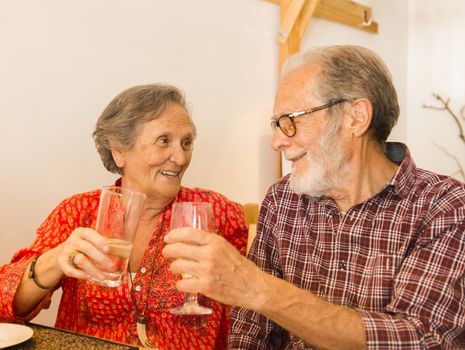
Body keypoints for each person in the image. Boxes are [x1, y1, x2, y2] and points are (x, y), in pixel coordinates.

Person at [162, 45, 465, 349]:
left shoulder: (443, 205)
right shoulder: (282, 199)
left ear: (356, 118)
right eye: (276, 125)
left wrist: (258, 288)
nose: (278, 141)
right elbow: (251, 331)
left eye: (290, 120)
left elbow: (423, 338)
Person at [0, 84, 248, 349]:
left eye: (186, 143)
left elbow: (253, 302)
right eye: (164, 141)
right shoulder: (79, 212)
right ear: (119, 151)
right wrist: (56, 260)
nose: (180, 157)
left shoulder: (215, 212)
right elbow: (5, 304)